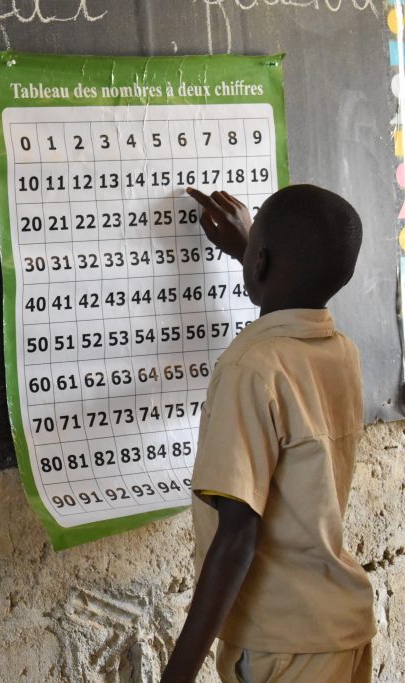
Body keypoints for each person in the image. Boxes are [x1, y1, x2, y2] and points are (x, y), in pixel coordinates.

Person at [160, 186, 375, 683]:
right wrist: (253, 253)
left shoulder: (251, 368)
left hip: (284, 646)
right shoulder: (340, 350)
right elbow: (289, 301)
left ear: (260, 263)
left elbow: (237, 536)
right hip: (337, 627)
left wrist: (178, 674)